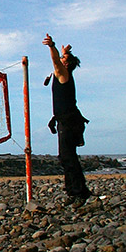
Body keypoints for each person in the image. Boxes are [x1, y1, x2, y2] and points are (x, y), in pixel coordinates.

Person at [43, 33, 91, 203]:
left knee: (68, 158)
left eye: (64, 59)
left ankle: (79, 192)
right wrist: (65, 52)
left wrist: (52, 46)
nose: (61, 60)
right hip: (67, 120)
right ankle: (75, 191)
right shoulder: (64, 73)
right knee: (66, 157)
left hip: (69, 122)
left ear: (67, 64)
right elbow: (61, 60)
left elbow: (56, 62)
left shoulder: (63, 73)